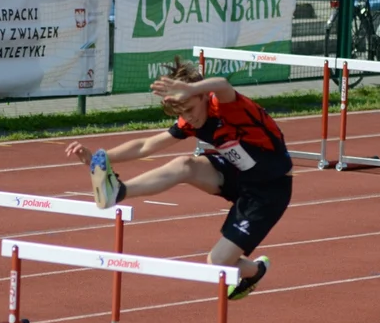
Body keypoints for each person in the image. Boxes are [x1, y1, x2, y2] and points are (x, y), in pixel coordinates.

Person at [65, 58, 293, 300]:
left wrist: (194, 88)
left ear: (203, 95)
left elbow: (224, 85)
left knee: (217, 263)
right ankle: (119, 191)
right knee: (185, 164)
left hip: (269, 189)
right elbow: (146, 145)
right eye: (182, 113)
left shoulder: (226, 106)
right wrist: (98, 158)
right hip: (238, 174)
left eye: (190, 109)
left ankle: (255, 270)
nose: (189, 118)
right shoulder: (192, 120)